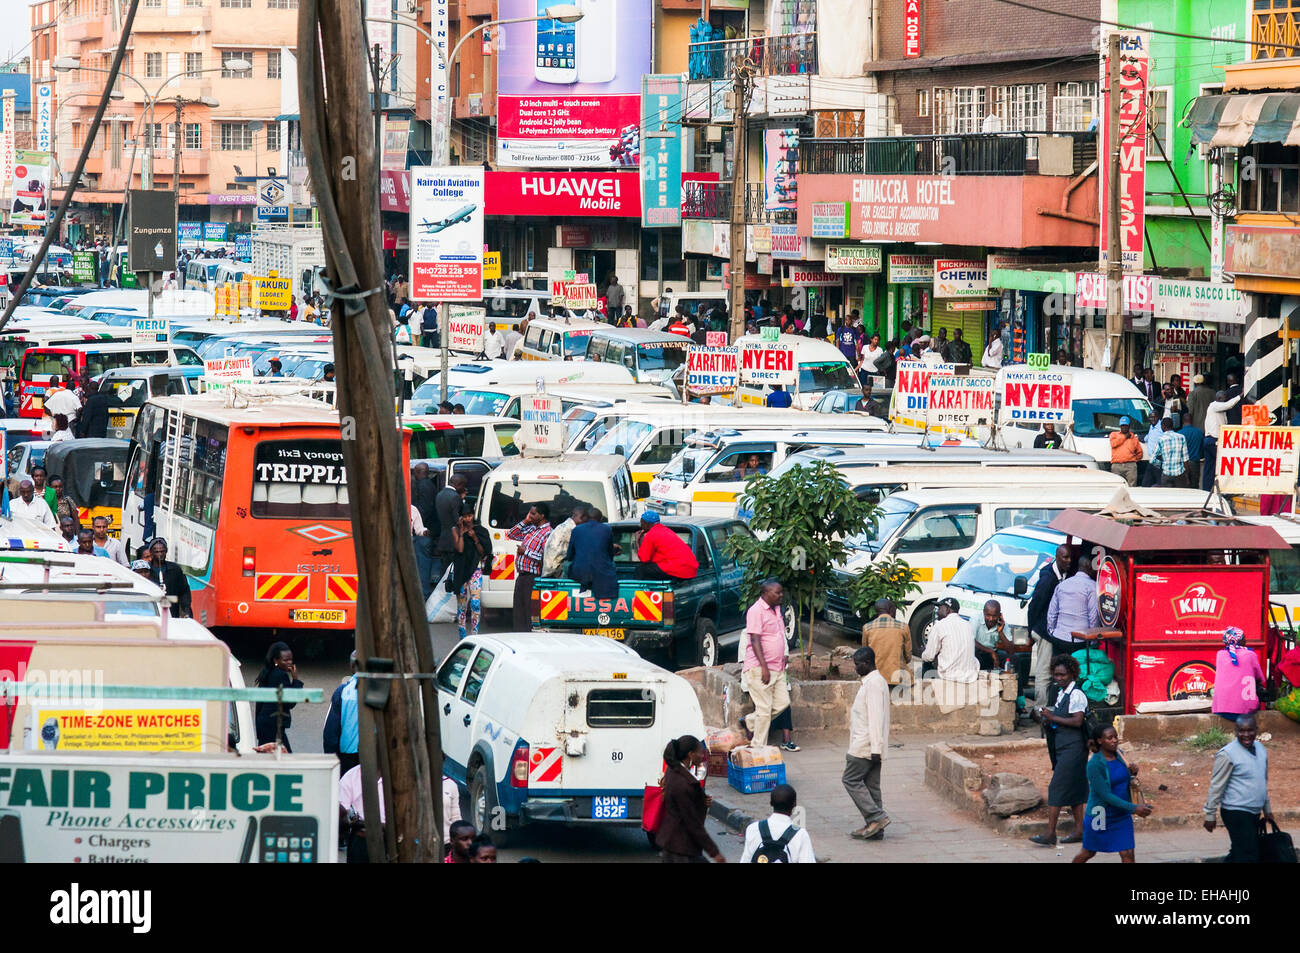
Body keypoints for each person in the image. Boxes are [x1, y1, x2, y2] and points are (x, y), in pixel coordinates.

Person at [1028, 655, 1089, 847]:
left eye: (1063, 675)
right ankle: (1079, 830)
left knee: (1056, 788)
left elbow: (1077, 721)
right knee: (1075, 789)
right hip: (1063, 747)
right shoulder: (1061, 693)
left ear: (1072, 674)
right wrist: (1046, 718)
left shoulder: (1076, 695)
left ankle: (1050, 833)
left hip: (1074, 748)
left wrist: (1052, 718)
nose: (1059, 678)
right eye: (1056, 675)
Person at [1073, 725, 1153, 863]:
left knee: (1128, 853)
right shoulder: (1094, 765)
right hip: (1101, 815)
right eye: (1110, 738)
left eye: (1115, 737)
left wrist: (1133, 773)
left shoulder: (1120, 755)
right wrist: (1134, 808)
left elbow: (1122, 780)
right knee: (1088, 852)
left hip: (1121, 814)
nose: (1114, 740)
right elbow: (1106, 796)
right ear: (1099, 741)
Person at [1203, 713, 1274, 863]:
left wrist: (1267, 809)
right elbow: (1216, 786)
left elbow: (1262, 781)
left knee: (1239, 852)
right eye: (1241, 731)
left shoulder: (1261, 749)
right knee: (1249, 854)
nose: (1246, 735)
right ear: (1235, 732)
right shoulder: (1227, 754)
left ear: (1256, 730)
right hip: (1236, 811)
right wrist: (1210, 815)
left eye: (1250, 731)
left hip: (1254, 812)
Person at [845, 645, 891, 840]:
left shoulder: (873, 685)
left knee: (850, 780)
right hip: (873, 745)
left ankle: (876, 817)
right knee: (872, 786)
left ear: (866, 663)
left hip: (865, 745)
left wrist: (874, 748)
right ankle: (875, 828)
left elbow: (875, 718)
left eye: (857, 665)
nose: (855, 668)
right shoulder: (874, 682)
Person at [657, 735, 725, 863]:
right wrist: (714, 852)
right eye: (700, 752)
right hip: (681, 847)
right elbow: (691, 821)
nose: (702, 756)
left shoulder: (674, 771)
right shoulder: (683, 783)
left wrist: (701, 802)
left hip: (675, 844)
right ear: (690, 754)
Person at [742, 580, 788, 748]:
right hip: (760, 667)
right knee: (764, 709)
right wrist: (764, 667)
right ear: (766, 594)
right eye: (777, 593)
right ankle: (758, 747)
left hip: (778, 667)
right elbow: (754, 640)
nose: (781, 595)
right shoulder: (756, 611)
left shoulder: (777, 610)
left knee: (782, 703)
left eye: (781, 592)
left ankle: (749, 721)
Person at [739, 784, 816, 863]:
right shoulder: (800, 834)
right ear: (794, 804)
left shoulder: (753, 828)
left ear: (771, 803)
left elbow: (745, 860)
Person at [506, 503, 552, 630]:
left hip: (533, 578)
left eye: (533, 513)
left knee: (529, 612)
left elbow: (545, 559)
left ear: (542, 516)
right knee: (519, 611)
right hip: (522, 576)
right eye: (529, 513)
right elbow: (511, 534)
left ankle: (527, 639)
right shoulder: (532, 528)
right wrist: (525, 521)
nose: (530, 516)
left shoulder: (548, 533)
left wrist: (525, 552)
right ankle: (518, 638)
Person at [254, 641, 304, 751]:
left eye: (291, 659)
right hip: (273, 726)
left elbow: (260, 703)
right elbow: (290, 702)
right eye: (285, 660)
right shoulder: (281, 675)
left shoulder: (267, 672)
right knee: (285, 760)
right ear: (276, 661)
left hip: (264, 724)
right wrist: (295, 680)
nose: (289, 662)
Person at [451, 505, 491, 640]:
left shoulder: (480, 531)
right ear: (460, 517)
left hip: (475, 569)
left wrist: (475, 538)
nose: (468, 519)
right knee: (462, 607)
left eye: (470, 515)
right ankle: (462, 637)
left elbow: (483, 552)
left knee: (475, 603)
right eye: (465, 516)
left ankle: (475, 636)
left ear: (473, 516)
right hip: (461, 571)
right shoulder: (455, 530)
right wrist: (462, 532)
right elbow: (460, 549)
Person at [1212, 627, 1265, 724]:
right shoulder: (1250, 655)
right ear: (1239, 640)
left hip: (1220, 709)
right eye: (1244, 638)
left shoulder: (1220, 655)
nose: (1246, 640)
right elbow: (1260, 678)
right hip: (1244, 711)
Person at [921, 597, 980, 684]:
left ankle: (927, 693)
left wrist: (922, 653)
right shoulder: (968, 625)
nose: (937, 612)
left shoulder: (940, 625)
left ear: (947, 610)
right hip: (970, 676)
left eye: (940, 608)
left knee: (926, 662)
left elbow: (929, 656)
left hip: (949, 676)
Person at [568, 505, 619, 600]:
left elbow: (569, 555)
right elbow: (610, 554)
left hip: (579, 573)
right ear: (600, 519)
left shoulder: (576, 530)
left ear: (586, 518)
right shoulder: (606, 529)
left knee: (567, 565)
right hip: (601, 574)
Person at [632, 510, 698, 581]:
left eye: (641, 523)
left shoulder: (651, 534)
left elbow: (644, 559)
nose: (640, 525)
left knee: (641, 569)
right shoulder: (666, 530)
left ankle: (639, 591)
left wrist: (637, 541)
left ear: (646, 523)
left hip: (678, 569)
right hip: (690, 570)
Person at [323, 651, 360, 774]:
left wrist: (330, 760)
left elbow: (330, 732)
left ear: (352, 666)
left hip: (347, 757)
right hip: (376, 755)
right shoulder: (384, 689)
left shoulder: (343, 691)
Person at [338, 763, 383, 863]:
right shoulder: (351, 776)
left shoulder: (399, 774)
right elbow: (339, 815)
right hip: (362, 839)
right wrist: (350, 822)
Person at [861, 597, 911, 685]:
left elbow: (864, 654)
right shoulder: (903, 627)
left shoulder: (867, 628)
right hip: (897, 677)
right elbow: (908, 656)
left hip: (875, 677)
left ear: (876, 611)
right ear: (891, 609)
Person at [1202, 388, 1242, 491]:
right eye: (1225, 397)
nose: (1226, 399)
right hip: (1213, 440)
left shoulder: (1219, 410)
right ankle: (1226, 489)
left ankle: (1207, 490)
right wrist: (1240, 396)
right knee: (1225, 463)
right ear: (1219, 398)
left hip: (1210, 440)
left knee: (1210, 468)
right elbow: (1229, 404)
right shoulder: (1214, 405)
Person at [146, 537, 192, 618]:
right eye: (156, 552)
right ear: (151, 553)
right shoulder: (146, 570)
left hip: (172, 613)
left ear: (166, 551)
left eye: (162, 551)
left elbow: (184, 591)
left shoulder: (175, 569)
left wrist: (185, 610)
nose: (160, 554)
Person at [435, 475, 468, 584]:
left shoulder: (439, 495)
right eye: (463, 486)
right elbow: (458, 519)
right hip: (455, 540)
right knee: (455, 571)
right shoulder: (455, 497)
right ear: (459, 485)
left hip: (444, 538)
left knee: (444, 570)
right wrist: (462, 501)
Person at [542, 504, 581, 578]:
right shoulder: (570, 529)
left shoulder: (564, 526)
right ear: (581, 517)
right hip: (554, 573)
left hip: (549, 570)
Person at [1148, 417, 1188, 487]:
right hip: (1180, 475)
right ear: (1172, 426)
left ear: (1163, 426)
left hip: (1166, 474)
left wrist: (1161, 464)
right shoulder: (1181, 437)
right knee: (1181, 496)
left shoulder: (1161, 439)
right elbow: (1185, 459)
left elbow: (1152, 460)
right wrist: (1187, 475)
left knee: (1168, 496)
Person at [974, 599, 1011, 670]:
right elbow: (970, 640)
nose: (990, 619)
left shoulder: (1003, 624)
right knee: (975, 655)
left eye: (994, 616)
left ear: (999, 615)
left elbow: (1010, 651)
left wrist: (1000, 632)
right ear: (983, 612)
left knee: (1015, 659)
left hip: (993, 654)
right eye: (988, 615)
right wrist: (990, 651)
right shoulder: (976, 619)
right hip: (978, 651)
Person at [1108, 417, 1143, 486]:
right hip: (1116, 465)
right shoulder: (1114, 434)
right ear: (1120, 426)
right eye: (1122, 425)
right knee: (1116, 486)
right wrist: (1124, 437)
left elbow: (1140, 453)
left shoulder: (1133, 438)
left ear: (1129, 426)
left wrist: (1132, 460)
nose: (1124, 427)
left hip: (1130, 466)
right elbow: (1113, 444)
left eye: (1125, 425)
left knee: (1132, 486)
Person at [1178, 412, 1204, 489]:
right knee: (1194, 486)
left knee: (1183, 486)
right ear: (1192, 421)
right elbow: (1202, 448)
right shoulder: (1199, 432)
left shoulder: (1179, 434)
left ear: (1183, 421)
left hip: (1182, 464)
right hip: (1194, 463)